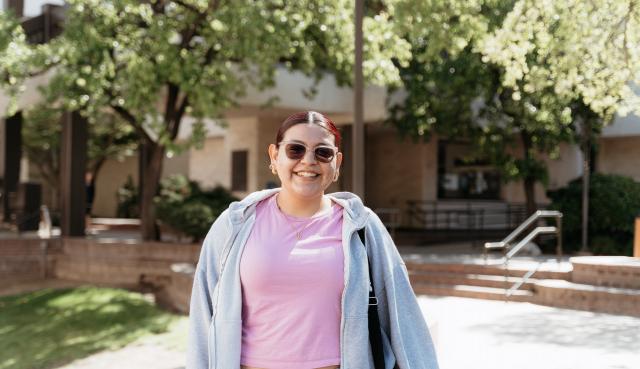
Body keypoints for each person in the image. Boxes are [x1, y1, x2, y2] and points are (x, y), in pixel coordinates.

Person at [187, 111, 439, 369]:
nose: (308, 161)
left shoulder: (362, 226)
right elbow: (202, 316)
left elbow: (403, 317)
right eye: (295, 150)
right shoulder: (234, 225)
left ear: (337, 162)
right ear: (274, 156)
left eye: (323, 152)